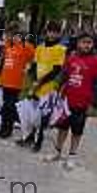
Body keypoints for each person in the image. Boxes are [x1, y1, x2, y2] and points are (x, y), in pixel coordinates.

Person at [45, 31, 97, 169]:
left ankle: (72, 155)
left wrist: (93, 103)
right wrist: (56, 87)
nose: (86, 45)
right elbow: (64, 74)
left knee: (77, 131)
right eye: (83, 42)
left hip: (82, 103)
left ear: (93, 44)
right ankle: (57, 151)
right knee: (62, 128)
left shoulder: (96, 61)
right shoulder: (71, 57)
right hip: (66, 102)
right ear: (77, 43)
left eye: (89, 42)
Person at [27, 20, 67, 152]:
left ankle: (39, 140)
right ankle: (31, 136)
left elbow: (56, 70)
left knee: (44, 116)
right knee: (33, 113)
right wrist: (33, 80)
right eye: (50, 31)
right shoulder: (40, 47)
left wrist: (41, 82)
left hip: (47, 87)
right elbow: (33, 66)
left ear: (59, 34)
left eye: (55, 32)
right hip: (36, 85)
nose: (52, 34)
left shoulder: (60, 49)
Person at [0, 21, 35, 140]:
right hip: (5, 80)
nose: (8, 37)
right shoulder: (8, 45)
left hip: (15, 82)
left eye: (10, 34)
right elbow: (3, 61)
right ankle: (3, 127)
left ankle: (8, 129)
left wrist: (28, 69)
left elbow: (34, 59)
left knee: (10, 106)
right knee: (5, 105)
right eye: (8, 34)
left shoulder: (26, 46)